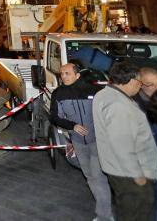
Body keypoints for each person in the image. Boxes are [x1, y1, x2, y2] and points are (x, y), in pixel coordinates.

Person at [93, 62, 157, 221]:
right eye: (139, 82)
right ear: (130, 81)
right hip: (127, 173)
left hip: (116, 167)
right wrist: (136, 175)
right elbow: (122, 145)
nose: (140, 86)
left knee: (128, 209)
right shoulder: (118, 105)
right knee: (137, 211)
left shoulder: (105, 94)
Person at [49, 63, 113, 221]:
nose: (63, 76)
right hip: (78, 142)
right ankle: (104, 206)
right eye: (62, 73)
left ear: (77, 75)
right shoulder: (58, 94)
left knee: (98, 177)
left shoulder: (94, 91)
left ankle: (105, 215)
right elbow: (55, 117)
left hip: (97, 141)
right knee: (90, 176)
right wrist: (72, 126)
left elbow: (107, 113)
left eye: (67, 73)